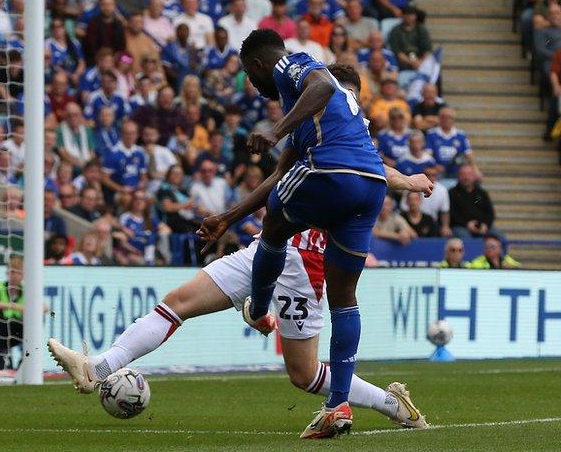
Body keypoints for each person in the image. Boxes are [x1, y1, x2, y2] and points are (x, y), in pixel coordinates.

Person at [49, 141, 431, 437]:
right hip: (268, 244)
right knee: (177, 302)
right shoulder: (308, 131)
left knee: (303, 374)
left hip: (305, 264)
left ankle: (389, 402)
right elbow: (276, 180)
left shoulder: (343, 136)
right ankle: (98, 367)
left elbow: (375, 171)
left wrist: (407, 182)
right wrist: (232, 217)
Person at [200, 39, 389, 437]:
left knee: (274, 225)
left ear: (257, 64)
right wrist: (229, 217)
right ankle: (338, 404)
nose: (253, 85)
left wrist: (273, 131)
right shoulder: (320, 119)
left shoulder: (293, 65)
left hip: (331, 173)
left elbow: (320, 86)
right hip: (371, 184)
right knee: (344, 299)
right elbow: (278, 176)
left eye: (251, 76)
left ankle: (258, 307)